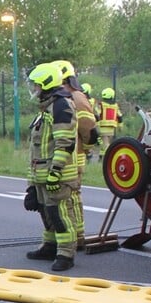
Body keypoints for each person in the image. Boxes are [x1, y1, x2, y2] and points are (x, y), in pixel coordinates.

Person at [24, 62, 79, 272]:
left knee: (60, 214)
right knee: (46, 212)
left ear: (46, 85)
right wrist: (31, 184)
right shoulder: (46, 108)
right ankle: (50, 246)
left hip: (57, 176)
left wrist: (55, 172)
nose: (34, 90)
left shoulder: (61, 106)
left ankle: (66, 254)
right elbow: (36, 149)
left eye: (36, 85)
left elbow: (64, 143)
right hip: (42, 176)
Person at [54, 60, 99, 251]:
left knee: (72, 197)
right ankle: (74, 235)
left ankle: (77, 236)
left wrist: (85, 149)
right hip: (69, 155)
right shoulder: (63, 97)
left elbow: (89, 129)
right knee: (69, 198)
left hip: (75, 156)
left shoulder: (77, 97)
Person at [97, 87, 124, 157]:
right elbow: (120, 116)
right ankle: (101, 157)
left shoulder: (101, 105)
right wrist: (120, 126)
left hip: (102, 127)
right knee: (106, 143)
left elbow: (97, 114)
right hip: (112, 128)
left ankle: (111, 156)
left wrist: (96, 124)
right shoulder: (115, 106)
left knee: (105, 144)